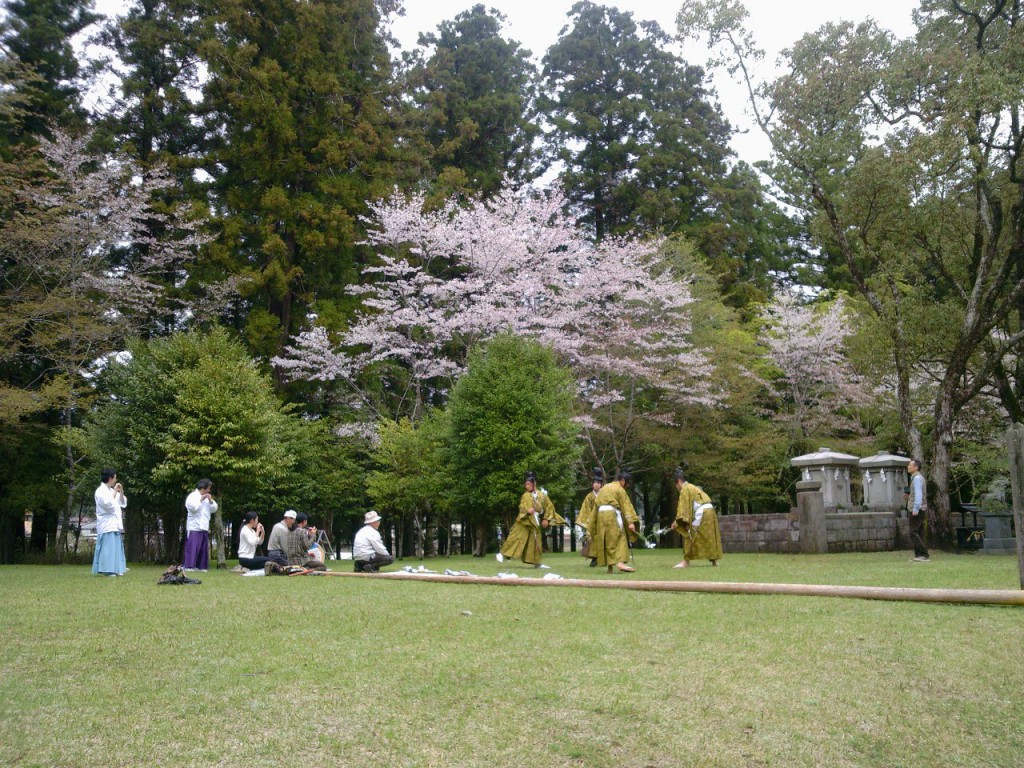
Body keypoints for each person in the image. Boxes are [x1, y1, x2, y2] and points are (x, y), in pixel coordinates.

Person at [497, 471, 566, 567]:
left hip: (535, 522)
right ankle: (502, 554)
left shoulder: (542, 495)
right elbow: (521, 507)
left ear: (534, 484)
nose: (527, 486)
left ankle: (537, 563)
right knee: (514, 538)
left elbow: (549, 507)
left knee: (536, 542)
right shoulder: (525, 496)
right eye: (526, 484)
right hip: (524, 522)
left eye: (529, 484)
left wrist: (545, 518)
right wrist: (527, 510)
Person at [670, 465, 722, 568]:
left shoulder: (685, 489)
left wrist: (677, 523)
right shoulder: (692, 487)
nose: (676, 488)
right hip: (710, 511)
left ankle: (686, 561)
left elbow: (684, 509)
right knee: (709, 536)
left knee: (689, 533)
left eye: (676, 485)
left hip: (702, 513)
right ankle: (714, 561)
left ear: (678, 482)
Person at [589, 469, 638, 573]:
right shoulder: (620, 489)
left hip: (600, 516)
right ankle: (620, 563)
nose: (627, 486)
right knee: (620, 537)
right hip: (612, 514)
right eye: (627, 483)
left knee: (606, 539)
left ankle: (610, 568)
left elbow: (596, 506)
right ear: (623, 480)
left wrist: (592, 523)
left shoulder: (605, 487)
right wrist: (630, 522)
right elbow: (626, 506)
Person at [92, 468, 127, 577]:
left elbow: (122, 503)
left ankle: (116, 568)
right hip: (106, 524)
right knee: (108, 549)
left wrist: (120, 492)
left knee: (115, 548)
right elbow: (108, 504)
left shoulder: (111, 491)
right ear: (110, 478)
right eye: (115, 477)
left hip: (114, 524)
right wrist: (115, 492)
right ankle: (107, 570)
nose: (116, 480)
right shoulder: (100, 491)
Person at [183, 479, 217, 571]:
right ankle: (189, 566)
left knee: (202, 548)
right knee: (193, 547)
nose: (209, 490)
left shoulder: (207, 498)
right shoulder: (192, 496)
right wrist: (200, 500)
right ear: (203, 488)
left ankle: (201, 566)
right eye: (208, 488)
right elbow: (192, 508)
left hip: (204, 526)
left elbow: (214, 509)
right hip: (194, 526)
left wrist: (210, 501)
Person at [575, 467, 604, 566]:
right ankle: (594, 558)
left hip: (603, 520)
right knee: (592, 539)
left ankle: (603, 558)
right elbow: (585, 509)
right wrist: (587, 520)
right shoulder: (589, 497)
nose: (596, 484)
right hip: (592, 521)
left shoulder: (605, 495)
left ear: (601, 485)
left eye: (598, 483)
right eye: (595, 482)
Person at [907, 459, 930, 562]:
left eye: (910, 465)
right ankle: (919, 555)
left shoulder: (917, 479)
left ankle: (924, 554)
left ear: (916, 467)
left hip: (917, 509)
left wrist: (915, 508)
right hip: (920, 508)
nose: (908, 466)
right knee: (919, 532)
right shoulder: (918, 478)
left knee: (913, 532)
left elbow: (919, 495)